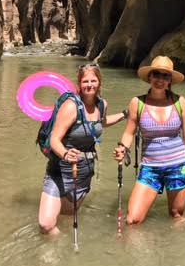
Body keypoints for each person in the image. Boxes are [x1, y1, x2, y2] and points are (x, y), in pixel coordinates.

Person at [38, 63, 127, 235]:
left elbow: (101, 123)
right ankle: (53, 249)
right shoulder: (71, 106)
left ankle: (64, 252)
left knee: (67, 216)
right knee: (46, 225)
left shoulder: (102, 105)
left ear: (99, 82)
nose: (89, 85)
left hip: (84, 171)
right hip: (60, 170)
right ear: (79, 83)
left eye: (93, 80)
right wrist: (65, 153)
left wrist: (125, 114)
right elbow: (54, 139)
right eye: (85, 81)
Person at [113, 56, 185, 224]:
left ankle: (175, 249)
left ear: (170, 81)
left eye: (165, 76)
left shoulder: (179, 101)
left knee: (177, 216)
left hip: (178, 165)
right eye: (157, 74)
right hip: (150, 167)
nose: (160, 79)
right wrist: (122, 148)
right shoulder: (137, 103)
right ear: (150, 77)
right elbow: (129, 133)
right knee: (132, 220)